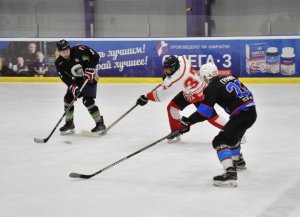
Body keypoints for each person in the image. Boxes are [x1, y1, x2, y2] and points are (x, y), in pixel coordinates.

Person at [177, 62, 257, 187]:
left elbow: (205, 112)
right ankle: (238, 161)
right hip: (251, 112)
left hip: (241, 115)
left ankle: (230, 173)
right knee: (233, 136)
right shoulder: (232, 77)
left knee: (219, 141)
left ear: (205, 76)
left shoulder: (212, 87)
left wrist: (188, 121)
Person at [136, 55, 227, 143]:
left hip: (199, 95)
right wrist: (167, 78)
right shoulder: (183, 61)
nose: (166, 71)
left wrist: (146, 97)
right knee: (172, 107)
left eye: (169, 69)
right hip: (192, 90)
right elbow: (177, 57)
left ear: (174, 68)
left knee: (211, 116)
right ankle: (176, 132)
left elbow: (159, 96)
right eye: (165, 68)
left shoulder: (175, 80)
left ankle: (236, 131)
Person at [55, 39, 106, 135]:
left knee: (88, 101)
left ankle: (100, 123)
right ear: (59, 52)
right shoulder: (59, 63)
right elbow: (65, 78)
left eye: (67, 50)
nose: (65, 53)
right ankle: (69, 123)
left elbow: (95, 56)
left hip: (89, 78)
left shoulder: (79, 49)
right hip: (76, 81)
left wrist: (90, 69)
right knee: (68, 99)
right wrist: (73, 87)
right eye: (62, 51)